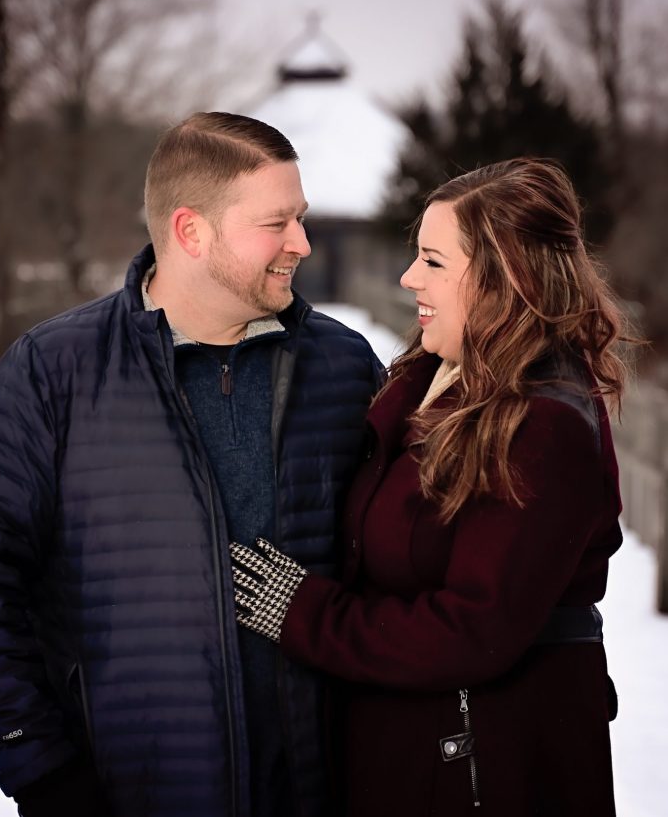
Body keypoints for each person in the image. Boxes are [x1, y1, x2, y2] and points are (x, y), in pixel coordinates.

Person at [0, 112, 382, 817]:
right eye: (276, 223)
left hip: (321, 793)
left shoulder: (344, 368)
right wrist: (41, 770)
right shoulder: (53, 374)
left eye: (303, 219)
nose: (302, 244)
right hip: (126, 792)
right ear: (191, 232)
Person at [230, 157, 628, 817]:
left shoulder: (544, 425)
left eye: (435, 262)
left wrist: (307, 613)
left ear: (508, 279)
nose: (409, 277)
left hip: (483, 773)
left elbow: (474, 629)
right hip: (414, 758)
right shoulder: (435, 381)